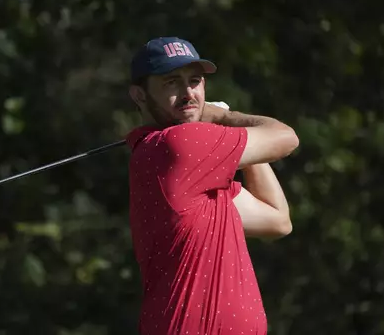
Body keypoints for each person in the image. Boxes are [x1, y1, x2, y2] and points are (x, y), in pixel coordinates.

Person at [125, 36, 299, 334]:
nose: (189, 93)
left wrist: (228, 137)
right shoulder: (178, 144)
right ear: (139, 96)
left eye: (195, 81)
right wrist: (225, 117)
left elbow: (276, 219)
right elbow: (286, 138)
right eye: (172, 82)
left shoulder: (183, 168)